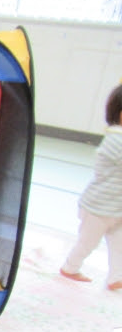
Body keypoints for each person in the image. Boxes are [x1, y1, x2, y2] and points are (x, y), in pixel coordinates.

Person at [59, 83, 122, 291]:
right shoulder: (116, 139)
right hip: (98, 207)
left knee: (119, 244)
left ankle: (116, 277)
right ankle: (70, 267)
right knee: (88, 243)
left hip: (116, 207)